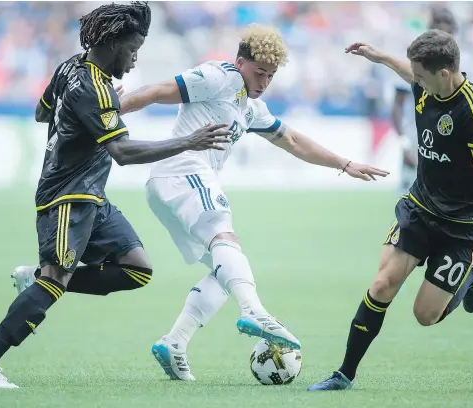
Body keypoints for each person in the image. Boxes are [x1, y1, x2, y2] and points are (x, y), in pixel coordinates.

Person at [0, 2, 231, 389]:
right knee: (57, 278)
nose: (136, 59)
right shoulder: (94, 87)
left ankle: (37, 279)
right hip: (68, 197)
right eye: (133, 48)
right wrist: (188, 140)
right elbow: (123, 152)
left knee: (137, 268)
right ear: (111, 41)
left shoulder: (71, 67)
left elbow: (43, 113)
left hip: (91, 196)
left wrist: (96, 110)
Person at [114, 23, 388, 381]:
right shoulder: (220, 76)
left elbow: (291, 140)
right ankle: (255, 311)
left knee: (225, 268)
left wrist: (345, 164)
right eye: (259, 72)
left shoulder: (250, 107)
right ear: (240, 62)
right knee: (226, 241)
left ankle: (175, 341)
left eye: (271, 76)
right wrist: (109, 108)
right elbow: (157, 91)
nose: (263, 82)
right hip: (183, 170)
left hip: (173, 184)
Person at [308, 29, 473, 391]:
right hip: (420, 209)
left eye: (421, 76)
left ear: (443, 74)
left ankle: (470, 282)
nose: (416, 81)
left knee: (424, 315)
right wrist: (379, 57)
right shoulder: (425, 83)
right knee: (382, 284)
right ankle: (344, 374)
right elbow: (406, 71)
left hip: (460, 227)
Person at [392, 7, 458, 195]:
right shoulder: (415, 58)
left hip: (448, 142)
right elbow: (397, 103)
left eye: (449, 33)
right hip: (416, 140)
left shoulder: (461, 63)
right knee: (407, 202)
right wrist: (404, 143)